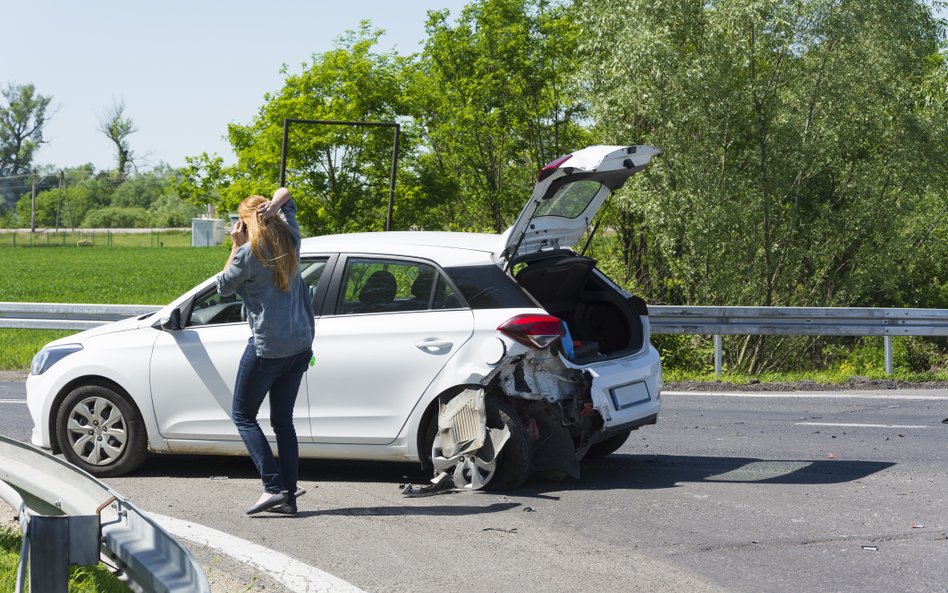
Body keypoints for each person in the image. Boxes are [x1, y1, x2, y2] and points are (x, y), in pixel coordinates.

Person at [217, 187, 315, 515]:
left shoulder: (249, 254)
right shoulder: (291, 239)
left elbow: (222, 289)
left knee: (243, 416)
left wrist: (235, 245)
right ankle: (288, 496)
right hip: (300, 345)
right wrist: (275, 206)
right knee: (283, 421)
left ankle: (272, 487)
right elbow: (287, 193)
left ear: (244, 223)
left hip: (268, 348)